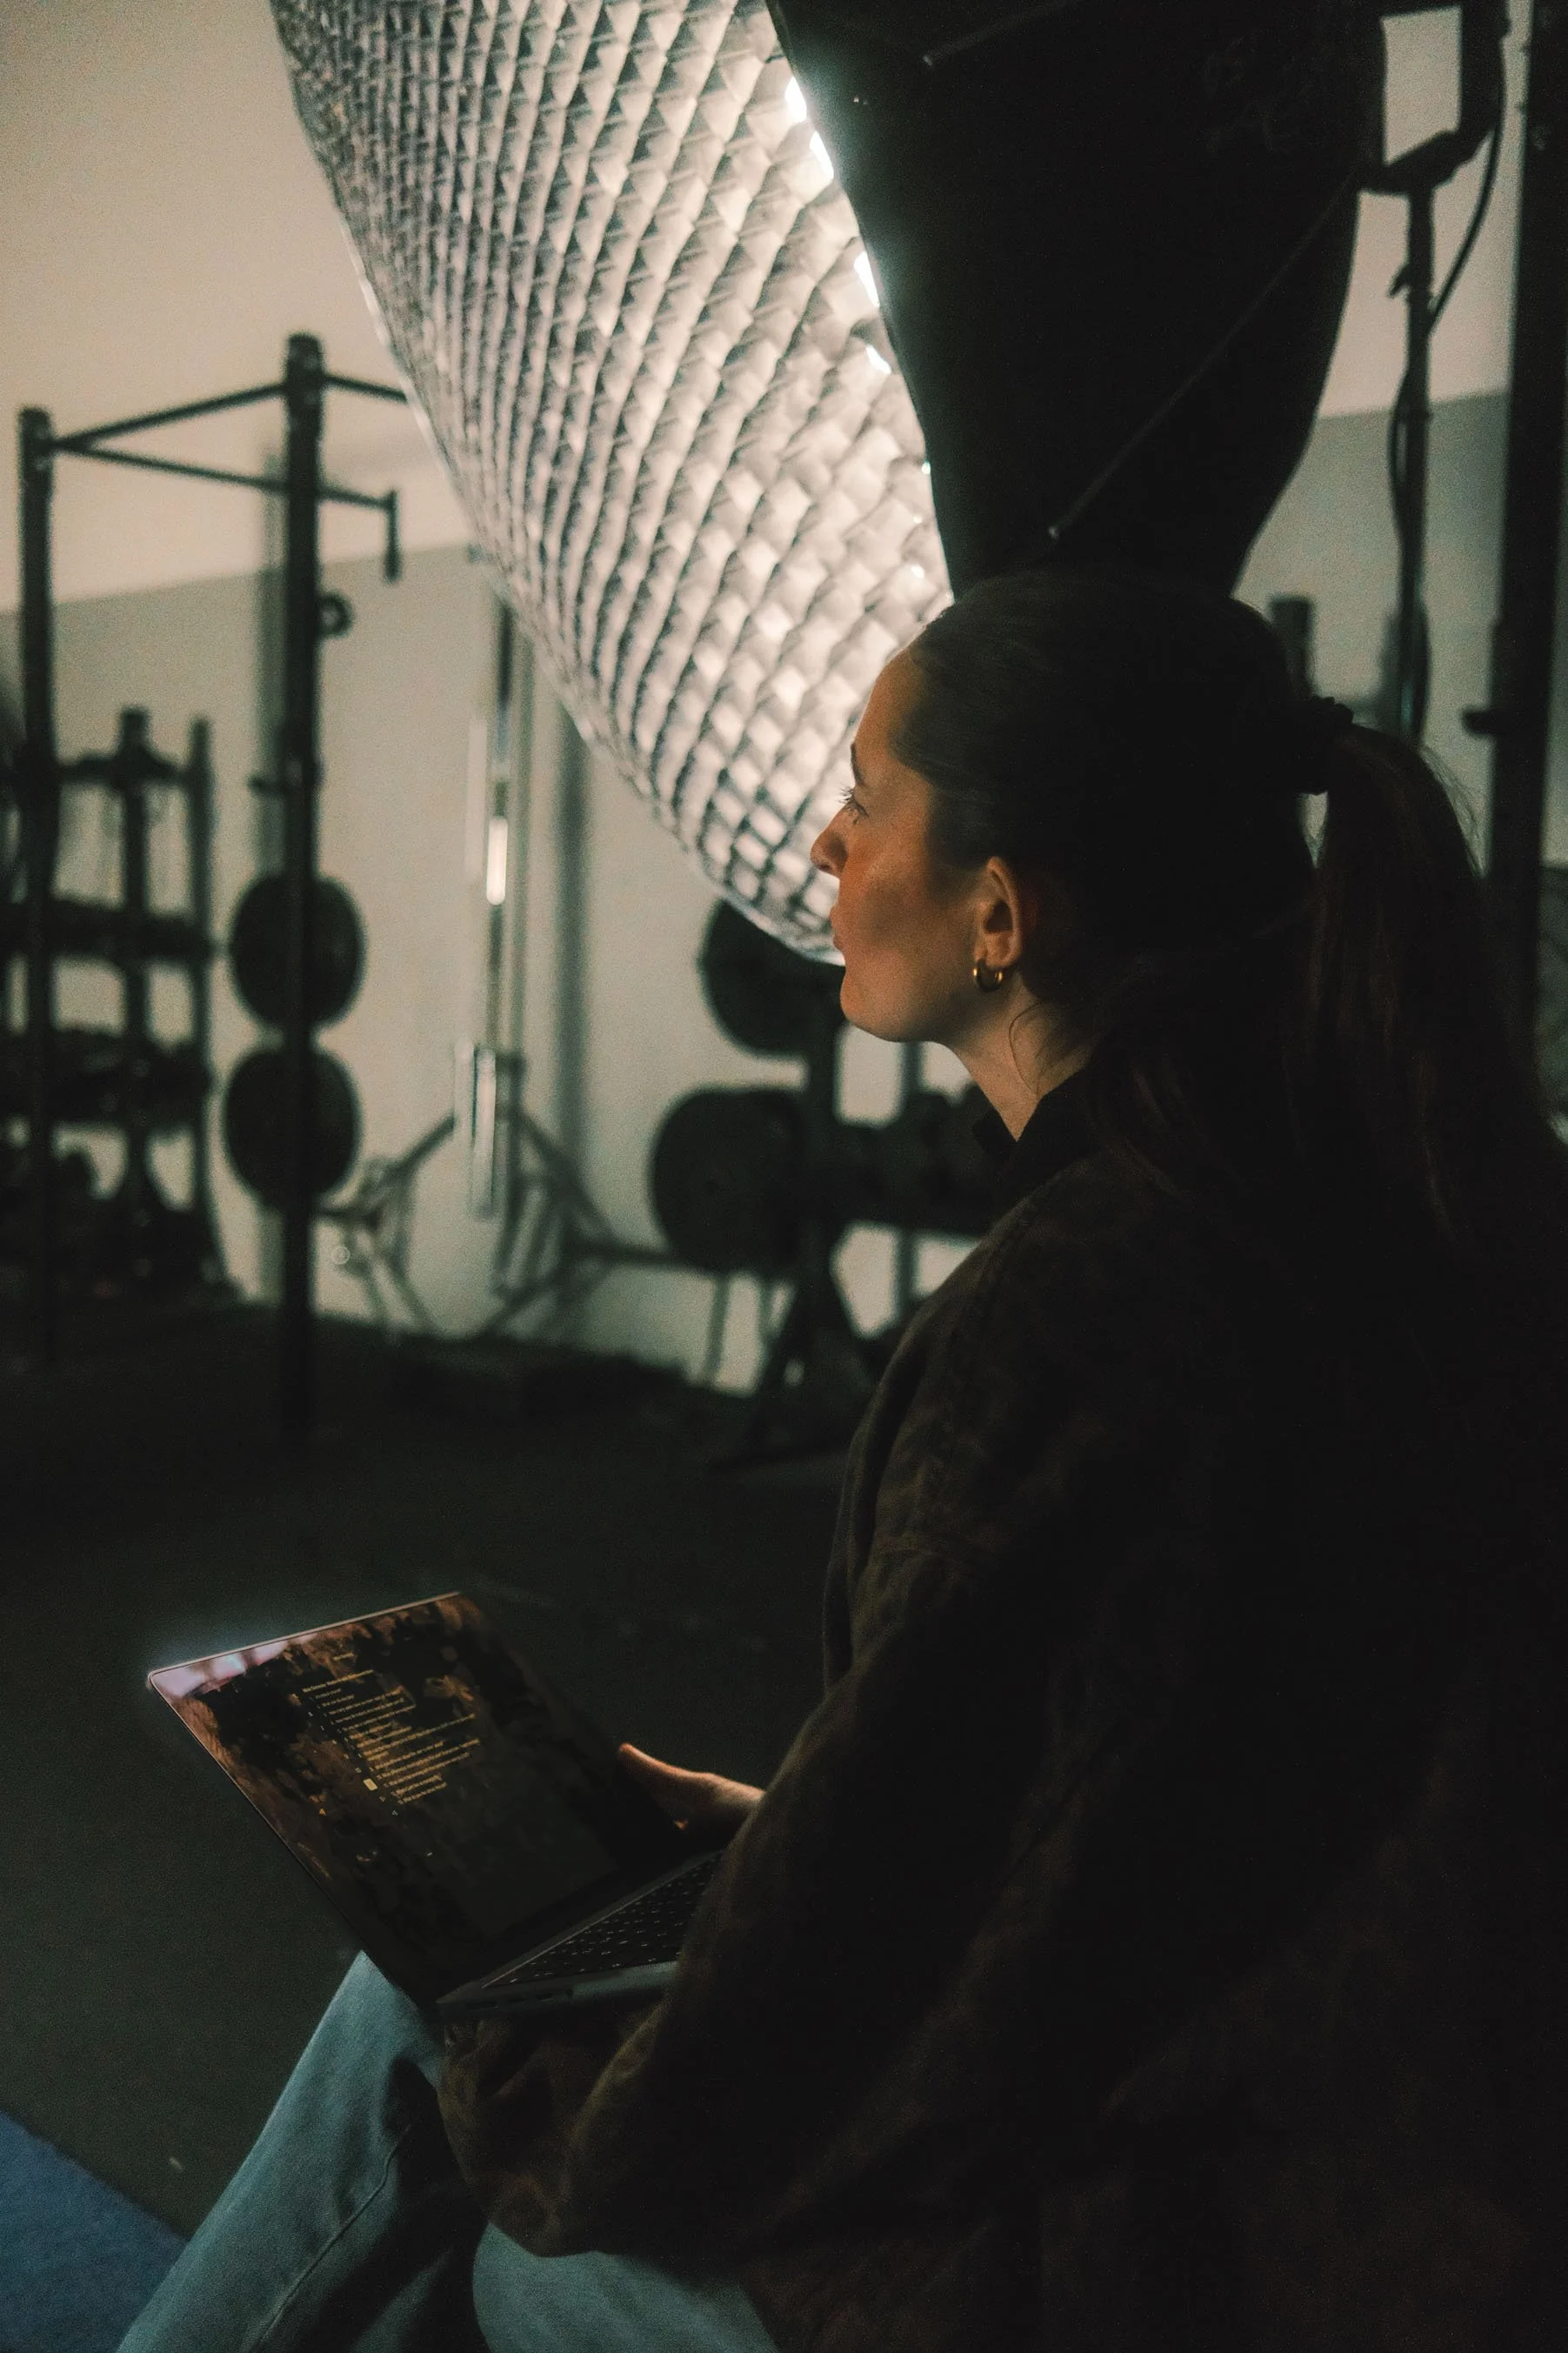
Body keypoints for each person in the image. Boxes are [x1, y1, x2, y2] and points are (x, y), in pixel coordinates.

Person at [121, 565, 1568, 2353]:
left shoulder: (1081, 1308)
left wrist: (560, 2108)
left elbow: (873, 2040)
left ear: (999, 910)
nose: (823, 842)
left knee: (445, 2067)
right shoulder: (1376, 1201)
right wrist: (779, 1836)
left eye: (870, 797)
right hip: (1390, 2187)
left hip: (1150, 2250)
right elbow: (1152, 1808)